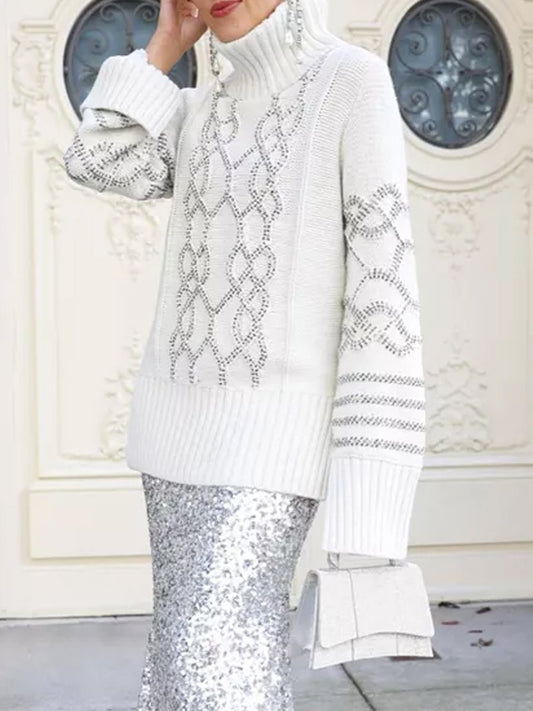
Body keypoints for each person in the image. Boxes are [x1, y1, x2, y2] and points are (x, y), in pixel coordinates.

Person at [62, 0, 426, 708]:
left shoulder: (350, 82)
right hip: (172, 448)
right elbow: (95, 159)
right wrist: (165, 46)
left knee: (217, 666)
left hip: (270, 452)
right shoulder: (200, 106)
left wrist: (373, 495)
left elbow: (383, 298)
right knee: (181, 669)